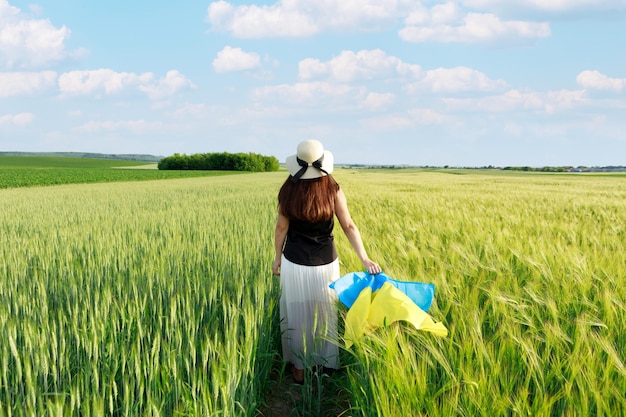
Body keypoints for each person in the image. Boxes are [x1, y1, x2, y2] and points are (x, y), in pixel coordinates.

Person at [272, 139, 381, 384]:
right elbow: (348, 225)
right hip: (326, 263)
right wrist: (364, 258)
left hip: (295, 262)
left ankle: (299, 368)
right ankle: (325, 363)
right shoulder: (332, 188)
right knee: (324, 312)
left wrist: (277, 259)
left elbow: (281, 229)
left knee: (297, 313)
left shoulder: (288, 190)